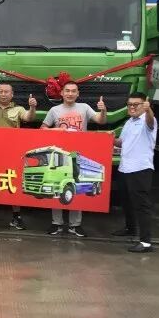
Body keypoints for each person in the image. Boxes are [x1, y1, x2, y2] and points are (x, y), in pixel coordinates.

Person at [41, 81, 107, 237]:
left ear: (78, 94)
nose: (70, 94)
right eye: (67, 91)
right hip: (59, 156)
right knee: (57, 187)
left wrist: (103, 110)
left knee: (76, 189)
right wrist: (57, 130)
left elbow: (101, 121)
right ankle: (56, 223)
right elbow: (43, 128)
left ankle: (75, 225)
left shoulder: (84, 107)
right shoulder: (54, 110)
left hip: (78, 156)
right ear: (62, 93)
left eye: (73, 91)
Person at [0, 84, 38, 230]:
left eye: (6, 92)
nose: (3, 94)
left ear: (12, 94)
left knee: (13, 182)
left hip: (12, 153)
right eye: (0, 92)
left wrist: (32, 108)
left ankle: (16, 216)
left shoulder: (19, 109)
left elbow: (29, 118)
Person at [113, 92, 156, 253]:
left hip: (140, 169)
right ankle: (130, 228)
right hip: (125, 168)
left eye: (136, 104)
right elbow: (121, 143)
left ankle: (146, 242)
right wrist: (111, 139)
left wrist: (149, 110)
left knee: (142, 206)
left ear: (144, 105)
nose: (132, 107)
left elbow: (150, 122)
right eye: (129, 104)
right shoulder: (129, 122)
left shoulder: (148, 120)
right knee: (126, 202)